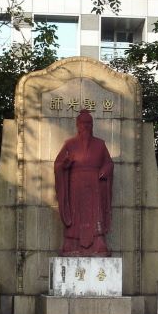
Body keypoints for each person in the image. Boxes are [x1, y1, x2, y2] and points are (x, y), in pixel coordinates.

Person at [53, 109, 114, 255]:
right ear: (77, 125)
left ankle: (98, 242)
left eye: (89, 123)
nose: (86, 126)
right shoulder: (70, 144)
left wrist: (105, 170)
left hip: (95, 184)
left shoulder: (100, 144)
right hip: (75, 184)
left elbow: (109, 163)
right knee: (75, 213)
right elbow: (58, 164)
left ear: (92, 125)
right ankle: (71, 243)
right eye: (83, 123)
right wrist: (64, 165)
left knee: (96, 212)